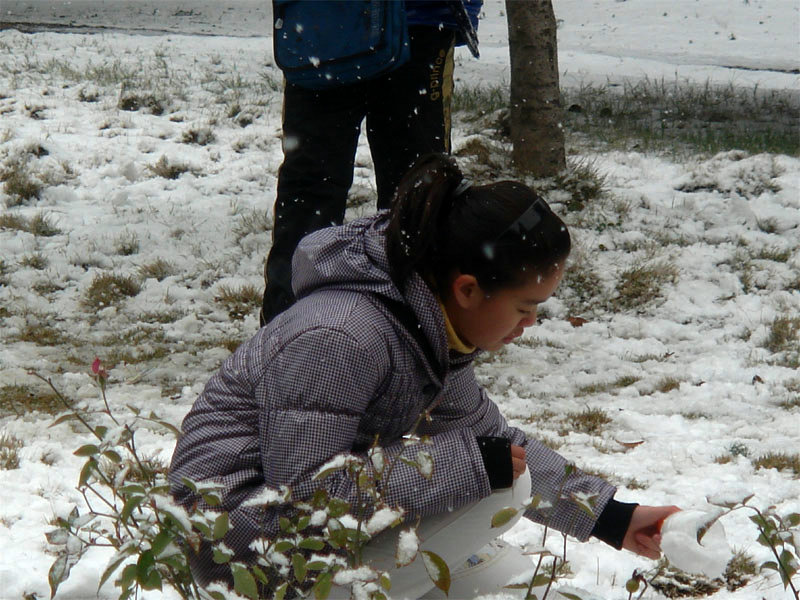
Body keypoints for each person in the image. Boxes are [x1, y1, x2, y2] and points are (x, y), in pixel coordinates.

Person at [170, 154, 679, 597]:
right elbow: (303, 497)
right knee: (500, 489)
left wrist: (615, 518)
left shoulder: (425, 327)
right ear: (466, 289)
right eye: (525, 307)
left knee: (494, 562)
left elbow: (491, 437)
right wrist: (464, 464)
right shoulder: (342, 337)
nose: (530, 325)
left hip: (283, 534)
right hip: (239, 546)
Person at [260, 0, 483, 325]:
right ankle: (291, 333)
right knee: (414, 192)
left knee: (413, 193)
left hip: (351, 25)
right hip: (358, 22)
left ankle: (290, 326)